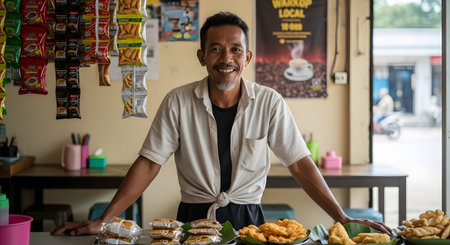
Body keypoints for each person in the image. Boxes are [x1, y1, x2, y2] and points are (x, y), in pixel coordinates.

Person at [52, 12, 391, 236]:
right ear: (202, 57)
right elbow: (149, 163)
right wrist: (104, 219)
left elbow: (300, 164)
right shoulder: (178, 101)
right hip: (193, 218)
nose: (225, 58)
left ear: (247, 58)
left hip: (250, 222)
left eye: (234, 50)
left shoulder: (269, 102)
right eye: (215, 49)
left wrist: (341, 217)